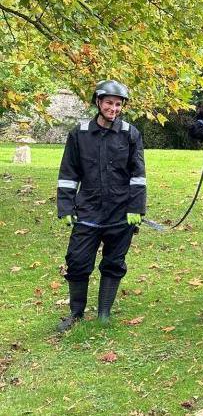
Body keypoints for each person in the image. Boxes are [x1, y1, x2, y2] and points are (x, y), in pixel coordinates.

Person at [56, 80, 146, 331]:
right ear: (98, 102)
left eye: (118, 104)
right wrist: (65, 207)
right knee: (77, 261)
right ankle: (76, 314)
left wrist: (135, 208)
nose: (114, 109)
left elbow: (138, 175)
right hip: (88, 212)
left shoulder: (130, 134)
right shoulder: (79, 133)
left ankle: (104, 314)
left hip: (120, 213)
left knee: (114, 263)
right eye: (109, 103)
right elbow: (68, 173)